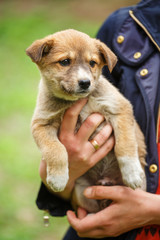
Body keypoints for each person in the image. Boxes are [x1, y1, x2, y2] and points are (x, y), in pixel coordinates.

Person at [36, 0, 160, 239]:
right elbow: (55, 181)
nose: (84, 77)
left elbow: (121, 111)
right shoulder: (125, 27)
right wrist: (62, 165)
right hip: (92, 212)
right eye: (65, 62)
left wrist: (153, 210)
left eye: (92, 64)